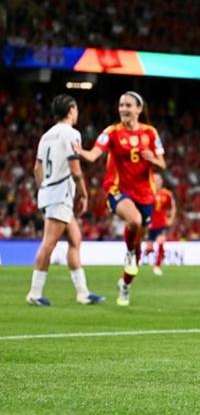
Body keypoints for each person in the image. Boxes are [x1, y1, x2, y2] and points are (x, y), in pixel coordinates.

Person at [74, 91, 165, 305]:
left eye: (128, 105)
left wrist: (153, 158)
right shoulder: (112, 132)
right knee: (135, 221)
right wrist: (79, 151)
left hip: (145, 194)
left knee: (137, 249)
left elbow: (162, 164)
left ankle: (125, 285)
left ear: (139, 109)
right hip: (117, 189)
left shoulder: (150, 133)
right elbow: (94, 155)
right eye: (121, 104)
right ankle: (130, 252)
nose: (124, 109)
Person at [27, 94, 104, 306]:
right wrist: (84, 192)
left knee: (75, 239)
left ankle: (83, 292)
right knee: (49, 243)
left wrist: (44, 188)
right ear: (71, 109)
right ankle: (34, 293)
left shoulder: (47, 135)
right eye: (76, 109)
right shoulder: (71, 133)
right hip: (60, 194)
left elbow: (37, 169)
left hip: (51, 192)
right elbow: (74, 166)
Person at [144, 173, 176, 275]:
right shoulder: (147, 193)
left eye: (159, 180)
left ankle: (157, 266)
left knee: (161, 242)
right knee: (149, 248)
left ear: (162, 182)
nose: (157, 182)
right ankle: (150, 259)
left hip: (161, 224)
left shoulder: (166, 194)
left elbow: (173, 207)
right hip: (150, 225)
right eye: (155, 180)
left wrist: (171, 219)